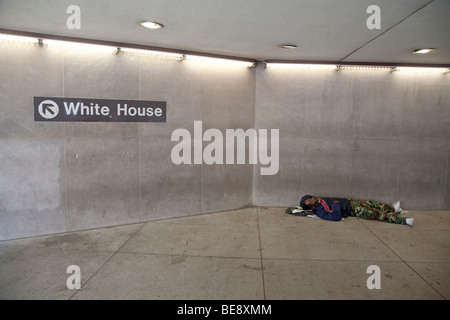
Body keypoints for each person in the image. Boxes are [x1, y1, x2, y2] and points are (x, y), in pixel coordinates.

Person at [298, 195, 413, 226]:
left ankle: (393, 208)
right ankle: (403, 220)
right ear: (312, 207)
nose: (313, 198)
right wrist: (337, 205)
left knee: (374, 205)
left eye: (311, 198)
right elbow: (336, 217)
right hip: (352, 210)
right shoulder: (321, 212)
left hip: (350, 203)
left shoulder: (318, 201)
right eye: (311, 201)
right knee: (376, 214)